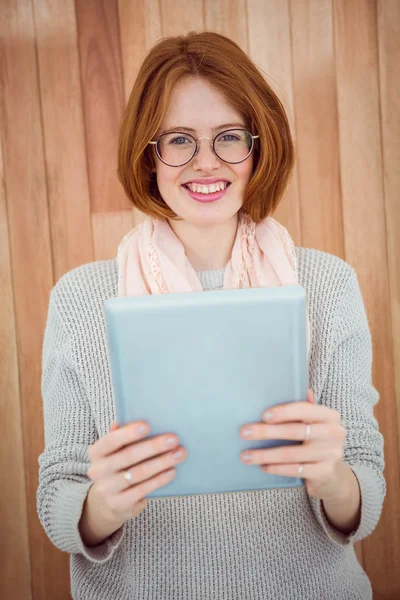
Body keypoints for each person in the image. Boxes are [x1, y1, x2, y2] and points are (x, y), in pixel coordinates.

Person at [37, 31, 385, 600]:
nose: (205, 163)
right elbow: (58, 497)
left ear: (259, 145)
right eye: (178, 139)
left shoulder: (327, 285)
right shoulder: (81, 300)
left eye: (228, 137)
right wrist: (101, 505)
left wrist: (335, 479)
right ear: (148, 154)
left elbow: (364, 491)